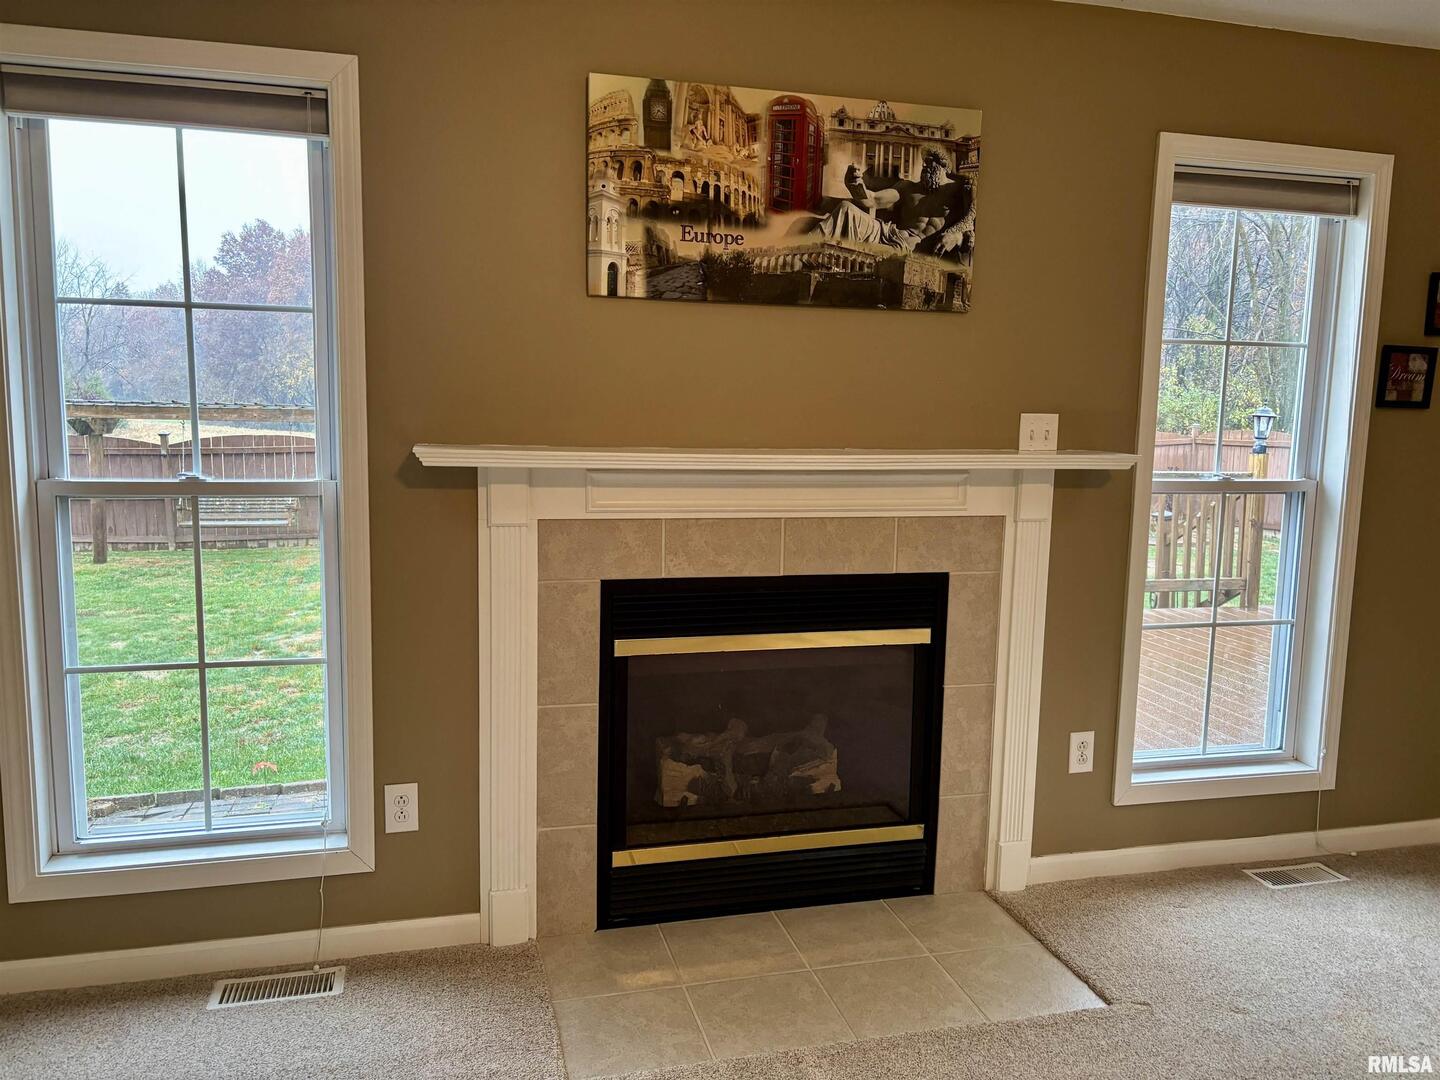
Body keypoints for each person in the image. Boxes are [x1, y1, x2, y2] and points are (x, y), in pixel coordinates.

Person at [812, 149, 975, 262]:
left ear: (943, 166)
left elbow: (970, 222)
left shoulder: (961, 190)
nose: (924, 167)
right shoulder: (908, 187)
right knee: (846, 209)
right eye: (924, 164)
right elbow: (873, 199)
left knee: (885, 256)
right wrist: (855, 185)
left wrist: (957, 237)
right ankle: (802, 250)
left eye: (930, 163)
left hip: (916, 248)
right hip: (890, 233)